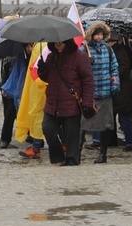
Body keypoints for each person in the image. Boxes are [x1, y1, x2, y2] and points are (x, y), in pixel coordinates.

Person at [38, 38, 95, 166]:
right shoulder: (52, 57)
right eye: (55, 42)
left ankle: (72, 160)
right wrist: (41, 69)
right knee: (48, 129)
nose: (58, 45)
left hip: (71, 103)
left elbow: (88, 81)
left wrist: (87, 102)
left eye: (61, 42)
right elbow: (46, 77)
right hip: (53, 103)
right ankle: (58, 157)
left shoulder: (80, 57)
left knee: (72, 136)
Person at [79, 24, 121, 164]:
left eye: (102, 34)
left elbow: (114, 67)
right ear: (91, 35)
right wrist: (86, 62)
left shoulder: (107, 49)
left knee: (105, 125)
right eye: (97, 34)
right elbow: (78, 67)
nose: (100, 37)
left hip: (105, 92)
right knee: (83, 124)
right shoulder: (84, 49)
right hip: (89, 94)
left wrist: (114, 84)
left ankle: (103, 154)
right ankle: (76, 153)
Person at [0, 43, 34, 150]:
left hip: (30, 91)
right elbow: (6, 72)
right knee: (10, 114)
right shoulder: (14, 58)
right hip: (14, 90)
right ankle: (5, 139)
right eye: (27, 46)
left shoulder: (36, 58)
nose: (29, 49)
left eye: (31, 46)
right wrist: (5, 87)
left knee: (32, 114)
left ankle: (33, 136)